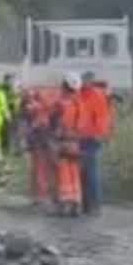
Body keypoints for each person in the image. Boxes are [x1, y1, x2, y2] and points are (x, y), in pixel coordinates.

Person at [75, 71, 114, 215]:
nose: (85, 82)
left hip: (91, 137)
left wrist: (99, 134)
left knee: (91, 173)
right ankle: (86, 205)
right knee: (82, 173)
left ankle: (94, 205)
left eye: (87, 79)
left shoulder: (96, 95)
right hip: (79, 137)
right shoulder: (79, 94)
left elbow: (102, 117)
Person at [52, 75, 84, 215]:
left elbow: (53, 121)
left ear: (65, 86)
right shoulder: (79, 103)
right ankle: (76, 203)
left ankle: (64, 204)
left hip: (63, 142)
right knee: (74, 173)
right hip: (76, 142)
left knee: (63, 173)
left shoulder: (61, 103)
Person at [24, 87, 54, 207]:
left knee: (37, 170)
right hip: (42, 145)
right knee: (42, 170)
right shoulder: (43, 111)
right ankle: (40, 196)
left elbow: (31, 126)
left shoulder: (35, 110)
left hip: (38, 145)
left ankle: (37, 196)